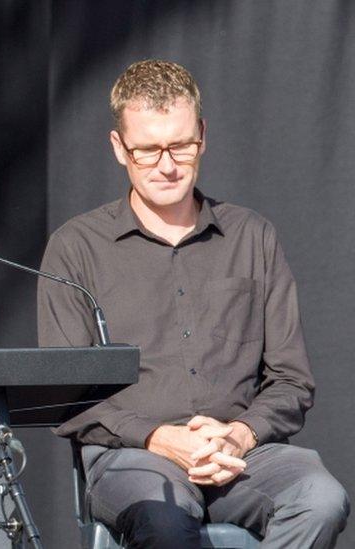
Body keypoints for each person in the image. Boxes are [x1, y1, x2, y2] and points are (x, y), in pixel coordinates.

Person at [37, 60, 349, 548]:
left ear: (201, 135)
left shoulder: (252, 236)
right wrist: (160, 437)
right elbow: (65, 393)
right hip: (133, 456)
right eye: (147, 150)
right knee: (163, 520)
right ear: (119, 148)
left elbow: (291, 379)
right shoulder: (76, 247)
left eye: (180, 145)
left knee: (320, 499)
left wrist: (241, 434)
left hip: (241, 454)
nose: (167, 164)